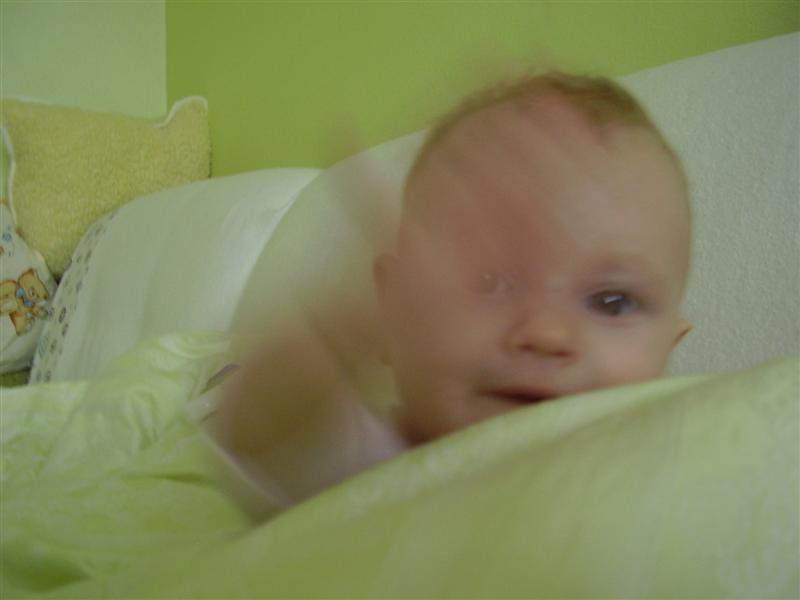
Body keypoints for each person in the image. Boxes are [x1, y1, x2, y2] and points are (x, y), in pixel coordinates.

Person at [204, 72, 692, 513]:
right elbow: (260, 430)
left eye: (611, 302)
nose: (547, 333)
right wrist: (347, 324)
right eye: (489, 282)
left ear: (671, 343)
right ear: (393, 312)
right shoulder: (375, 462)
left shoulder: (683, 472)